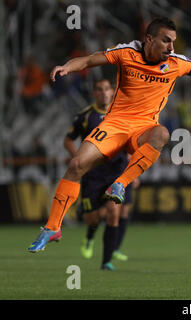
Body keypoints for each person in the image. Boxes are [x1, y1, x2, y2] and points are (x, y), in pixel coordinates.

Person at [27, 17, 191, 252]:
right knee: (76, 165)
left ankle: (119, 184)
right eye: (166, 41)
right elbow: (91, 59)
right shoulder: (127, 53)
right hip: (114, 126)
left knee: (161, 133)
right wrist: (67, 67)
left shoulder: (177, 63)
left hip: (143, 129)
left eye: (173, 42)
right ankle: (52, 228)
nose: (172, 47)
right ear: (149, 39)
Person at [62, 79, 134, 270]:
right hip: (92, 174)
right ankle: (90, 236)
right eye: (99, 90)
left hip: (116, 172)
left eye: (107, 89)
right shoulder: (85, 116)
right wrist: (78, 158)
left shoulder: (122, 114)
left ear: (112, 92)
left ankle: (106, 261)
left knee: (113, 212)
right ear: (94, 93)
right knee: (93, 219)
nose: (103, 93)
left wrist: (134, 172)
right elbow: (68, 140)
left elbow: (130, 142)